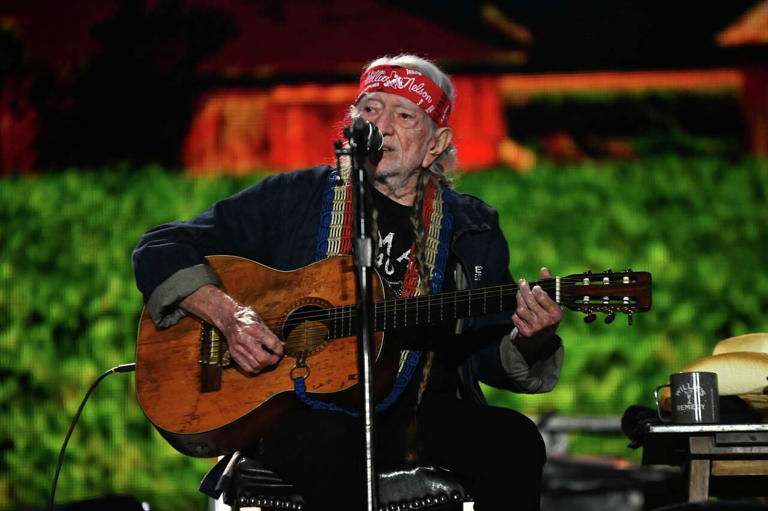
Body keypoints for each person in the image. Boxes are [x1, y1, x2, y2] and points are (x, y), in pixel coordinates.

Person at [133, 54, 564, 511]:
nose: (383, 125)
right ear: (352, 123)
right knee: (335, 454)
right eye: (371, 109)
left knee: (515, 442)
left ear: (436, 144)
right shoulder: (293, 197)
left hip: (417, 411)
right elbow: (160, 246)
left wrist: (529, 340)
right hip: (302, 411)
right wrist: (230, 315)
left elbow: (485, 355)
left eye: (403, 115)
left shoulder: (471, 228)